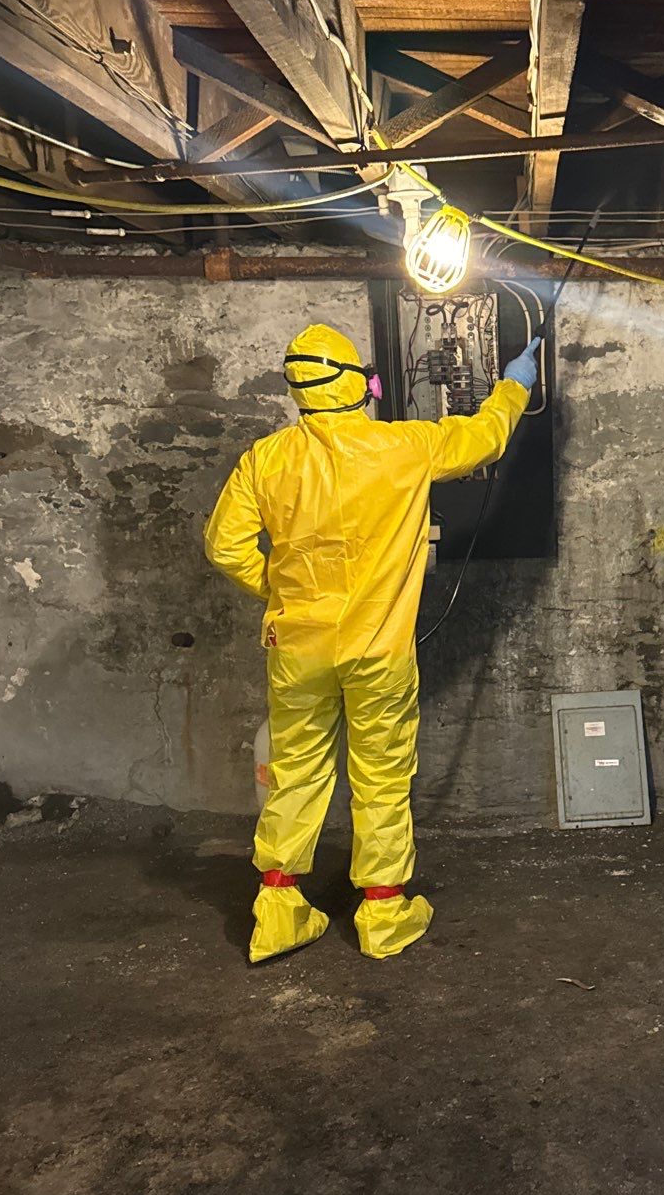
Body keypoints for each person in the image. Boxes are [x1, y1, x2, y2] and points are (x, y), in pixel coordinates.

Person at [205, 321, 538, 964]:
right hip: (378, 651)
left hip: (297, 648)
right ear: (362, 384)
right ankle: (383, 914)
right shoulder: (404, 446)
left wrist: (278, 590)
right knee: (382, 773)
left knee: (295, 772)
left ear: (300, 390)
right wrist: (513, 387)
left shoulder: (264, 460)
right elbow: (486, 438)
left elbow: (225, 546)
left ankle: (278, 914)